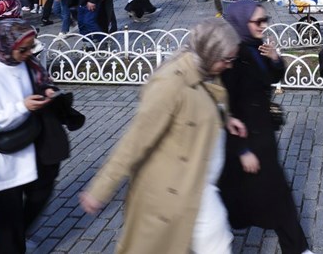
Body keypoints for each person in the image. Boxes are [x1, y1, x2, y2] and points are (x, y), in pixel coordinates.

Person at [79, 19, 248, 254]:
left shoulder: (205, 74)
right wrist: (100, 189)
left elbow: (207, 103)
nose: (229, 65)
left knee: (216, 244)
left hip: (200, 186)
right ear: (210, 53)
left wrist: (225, 120)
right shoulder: (171, 83)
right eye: (226, 60)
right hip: (174, 191)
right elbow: (135, 140)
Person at [219, 1, 314, 254]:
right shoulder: (232, 58)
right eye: (258, 22)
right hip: (245, 138)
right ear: (241, 23)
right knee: (254, 193)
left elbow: (272, 78)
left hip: (262, 133)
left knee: (275, 192)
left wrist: (275, 59)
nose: (264, 26)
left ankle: (296, 248)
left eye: (265, 20)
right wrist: (241, 150)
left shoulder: (256, 48)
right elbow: (225, 110)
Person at [0, 19, 63, 254]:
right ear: (6, 46)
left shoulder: (28, 64)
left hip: (30, 146)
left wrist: (45, 90)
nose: (29, 53)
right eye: (23, 49)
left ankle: (21, 232)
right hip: (1, 158)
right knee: (8, 222)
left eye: (31, 47)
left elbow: (38, 82)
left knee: (40, 192)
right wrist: (22, 107)